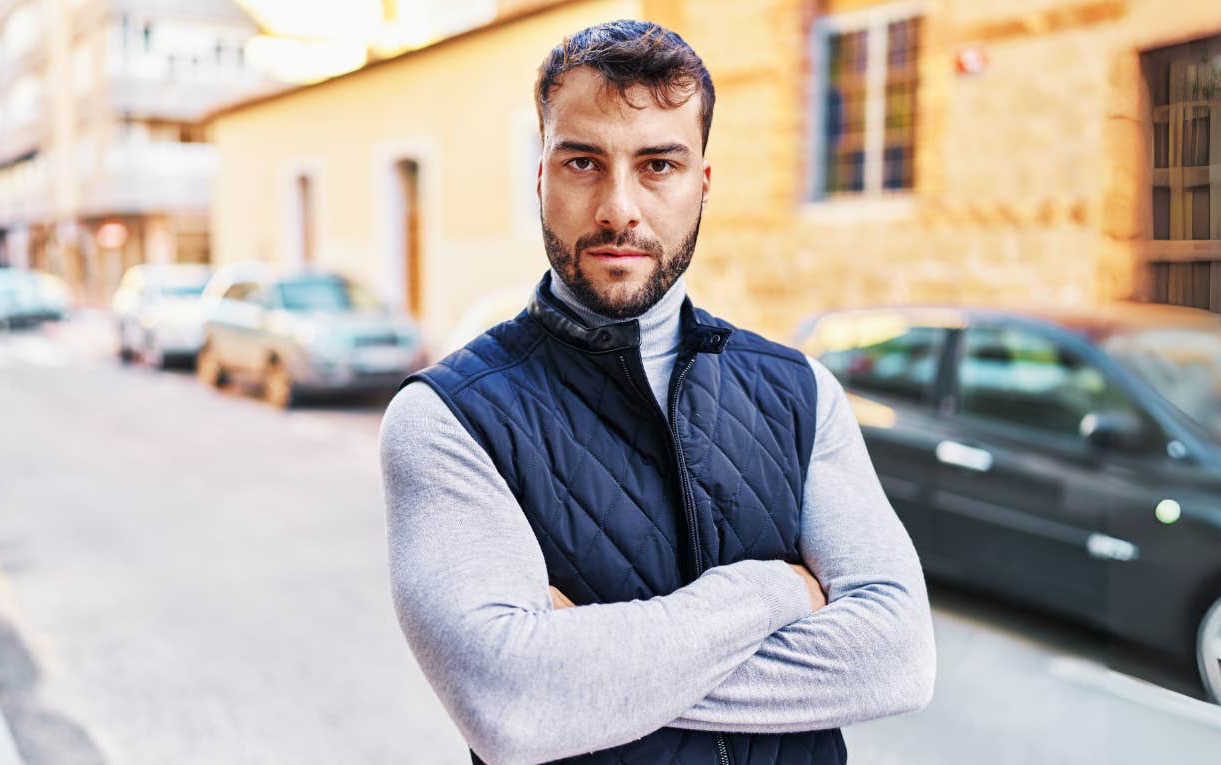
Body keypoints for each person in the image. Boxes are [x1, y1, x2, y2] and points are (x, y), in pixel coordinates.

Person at [380, 19, 935, 765]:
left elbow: (895, 658)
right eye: (583, 162)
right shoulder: (449, 419)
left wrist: (583, 673)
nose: (619, 208)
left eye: (658, 165)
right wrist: (775, 592)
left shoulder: (802, 394)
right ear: (540, 175)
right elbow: (512, 702)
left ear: (702, 182)